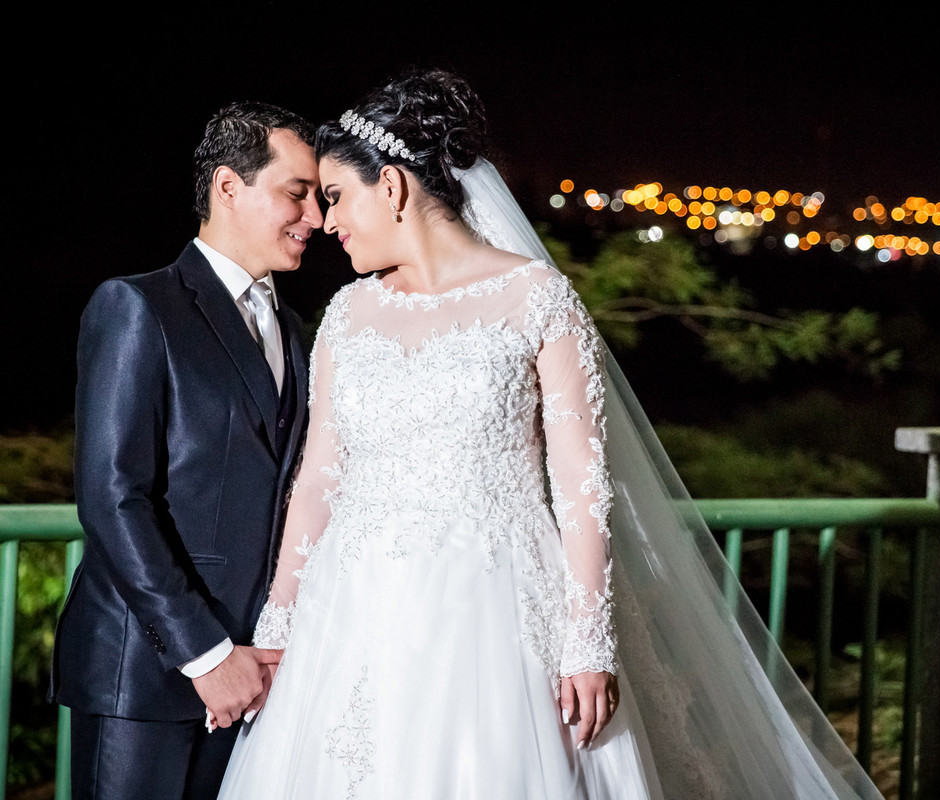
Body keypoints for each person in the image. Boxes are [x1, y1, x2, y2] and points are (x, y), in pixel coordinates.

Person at [217, 71, 884, 800]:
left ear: (396, 187)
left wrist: (588, 638)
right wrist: (278, 624)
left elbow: (581, 483)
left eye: (339, 197)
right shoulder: (348, 315)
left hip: (499, 610)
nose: (328, 222)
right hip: (352, 612)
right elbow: (318, 480)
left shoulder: (536, 298)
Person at [50, 102, 323, 800]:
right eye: (297, 193)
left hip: (259, 680)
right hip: (145, 672)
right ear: (229, 187)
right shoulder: (137, 306)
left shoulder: (296, 331)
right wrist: (206, 654)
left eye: (319, 198)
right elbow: (113, 497)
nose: (315, 217)